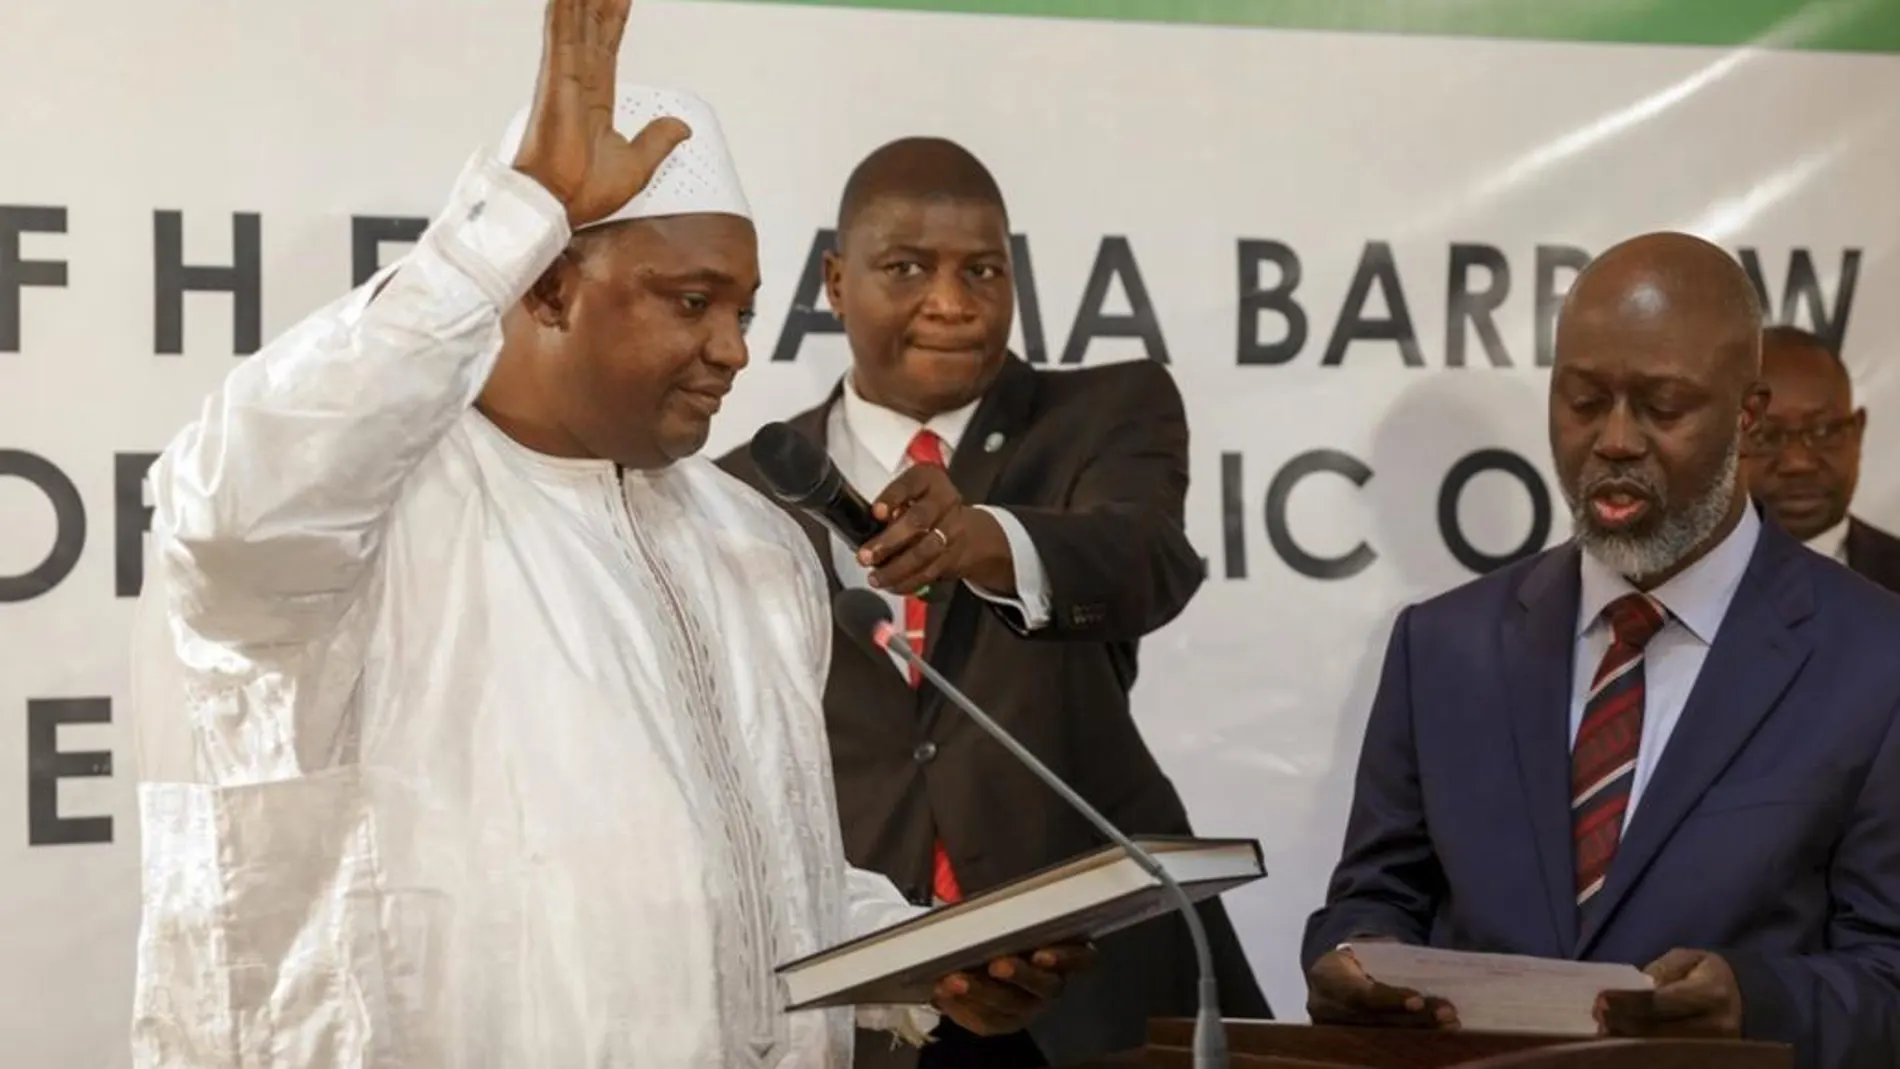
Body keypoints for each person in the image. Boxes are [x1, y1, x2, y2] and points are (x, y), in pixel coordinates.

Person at [124, 5, 1089, 1066]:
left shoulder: (750, 542)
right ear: (543, 287)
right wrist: (504, 222)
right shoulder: (362, 522)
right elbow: (234, 505)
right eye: (690, 301)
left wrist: (919, 959)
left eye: (744, 312)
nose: (730, 350)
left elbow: (772, 878)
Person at [719, 137, 1268, 1068]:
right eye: (908, 268)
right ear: (835, 281)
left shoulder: (1105, 410)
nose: (952, 302)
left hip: (1095, 980)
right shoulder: (744, 489)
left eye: (983, 269)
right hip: (878, 990)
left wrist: (987, 538)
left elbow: (1146, 560)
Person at [1300, 232, 1900, 1069]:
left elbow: (1889, 974)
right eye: (1582, 400)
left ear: (1747, 414)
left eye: (1663, 406)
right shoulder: (1440, 646)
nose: (1614, 440)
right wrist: (1352, 960)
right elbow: (1375, 897)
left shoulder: (1876, 659)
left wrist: (1755, 1000)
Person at [1743, 325, 1900, 592]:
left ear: (1858, 433)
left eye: (1822, 430)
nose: (1797, 462)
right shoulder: (1671, 590)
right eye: (1767, 436)